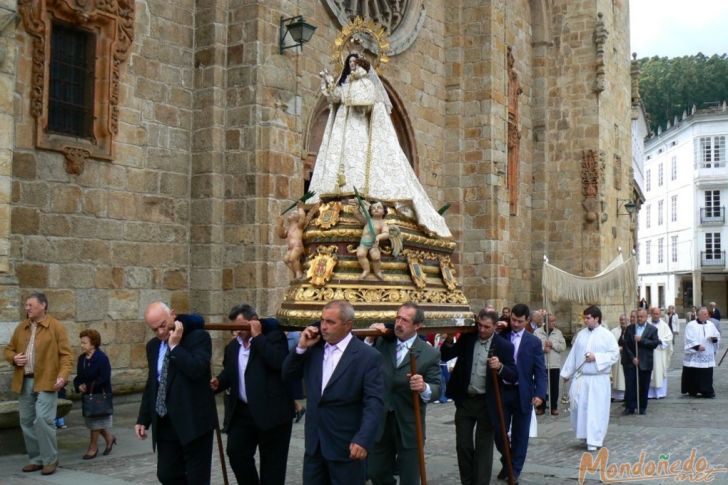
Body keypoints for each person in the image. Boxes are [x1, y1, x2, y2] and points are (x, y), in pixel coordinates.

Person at [309, 53, 451, 238]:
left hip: (359, 128)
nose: (352, 66)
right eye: (349, 63)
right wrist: (329, 82)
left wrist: (349, 98)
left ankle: (358, 196)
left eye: (355, 63)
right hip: (343, 129)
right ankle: (342, 195)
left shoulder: (367, 84)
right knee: (344, 158)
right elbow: (335, 97)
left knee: (358, 159)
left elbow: (367, 103)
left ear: (361, 65)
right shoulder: (346, 85)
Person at [282, 300, 384, 485]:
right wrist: (301, 347)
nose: (323, 327)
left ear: (348, 325)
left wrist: (363, 439)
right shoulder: (314, 349)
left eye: (330, 322)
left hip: (347, 446)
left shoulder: (367, 356)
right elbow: (287, 375)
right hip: (315, 445)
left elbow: (374, 402)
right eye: (322, 321)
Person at [210, 304, 293, 485]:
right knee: (236, 453)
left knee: (272, 469)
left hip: (272, 414)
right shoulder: (233, 347)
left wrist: (258, 337)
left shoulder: (274, 338)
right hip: (243, 413)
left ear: (254, 321)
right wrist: (219, 382)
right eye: (234, 328)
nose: (237, 332)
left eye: (241, 327)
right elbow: (230, 372)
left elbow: (278, 362)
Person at [135, 302, 216, 485]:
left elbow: (197, 369)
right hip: (165, 422)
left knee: (197, 479)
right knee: (166, 474)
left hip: (193, 421)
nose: (160, 332)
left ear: (173, 314)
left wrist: (175, 348)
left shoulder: (198, 338)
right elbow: (153, 383)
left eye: (163, 325)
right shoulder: (153, 347)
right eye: (154, 329)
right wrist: (143, 418)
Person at [365, 302, 441, 485]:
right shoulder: (382, 342)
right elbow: (362, 362)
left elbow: (437, 388)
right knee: (375, 471)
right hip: (382, 421)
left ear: (417, 326)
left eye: (405, 320)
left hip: (409, 423)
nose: (398, 323)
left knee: (409, 477)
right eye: (397, 318)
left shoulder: (429, 353)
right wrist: (369, 339)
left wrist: (423, 387)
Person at [441, 309, 517, 485]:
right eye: (480, 325)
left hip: (487, 403)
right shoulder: (468, 338)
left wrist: (500, 367)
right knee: (463, 445)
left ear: (495, 326)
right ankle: (467, 482)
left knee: (484, 448)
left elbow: (513, 375)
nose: (482, 330)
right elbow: (446, 355)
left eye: (486, 327)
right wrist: (449, 339)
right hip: (466, 401)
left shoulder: (504, 346)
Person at [4, 292, 73, 476]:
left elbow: (66, 356)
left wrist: (62, 376)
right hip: (24, 381)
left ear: (43, 305)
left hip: (47, 380)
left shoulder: (56, 327)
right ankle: (36, 460)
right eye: (26, 305)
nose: (27, 308)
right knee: (26, 421)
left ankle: (50, 459)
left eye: (30, 305)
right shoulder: (21, 327)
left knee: (43, 420)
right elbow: (8, 349)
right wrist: (13, 358)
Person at [491, 304, 547, 483]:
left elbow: (539, 370)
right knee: (499, 432)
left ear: (527, 321)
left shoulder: (534, 342)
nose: (515, 324)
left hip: (523, 391)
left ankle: (514, 469)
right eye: (513, 319)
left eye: (519, 321)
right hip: (503, 390)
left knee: (520, 435)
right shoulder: (501, 335)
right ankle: (507, 461)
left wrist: (540, 393)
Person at [560, 306, 619, 451]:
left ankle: (595, 439)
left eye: (588, 318)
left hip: (598, 379)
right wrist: (567, 373)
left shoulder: (607, 335)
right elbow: (574, 354)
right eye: (584, 318)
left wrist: (596, 357)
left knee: (596, 410)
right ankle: (585, 435)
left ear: (596, 318)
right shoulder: (581, 335)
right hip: (582, 379)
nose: (585, 321)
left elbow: (614, 355)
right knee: (581, 408)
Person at [73, 329, 116, 459]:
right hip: (88, 396)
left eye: (84, 343)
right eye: (81, 342)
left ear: (93, 344)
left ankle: (93, 447)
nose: (82, 345)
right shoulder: (82, 359)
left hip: (99, 396)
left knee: (96, 423)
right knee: (94, 421)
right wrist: (78, 385)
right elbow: (79, 377)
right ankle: (110, 438)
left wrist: (90, 386)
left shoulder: (102, 358)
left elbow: (104, 378)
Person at [619, 308, 659, 415]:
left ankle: (642, 406)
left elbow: (655, 343)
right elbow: (626, 345)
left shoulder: (652, 329)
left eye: (642, 317)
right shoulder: (630, 328)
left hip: (645, 362)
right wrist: (632, 358)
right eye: (638, 317)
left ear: (646, 317)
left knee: (644, 385)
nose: (639, 319)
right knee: (630, 384)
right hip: (632, 361)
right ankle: (630, 407)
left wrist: (642, 340)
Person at [681, 307, 720, 398]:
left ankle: (706, 390)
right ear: (699, 315)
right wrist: (697, 346)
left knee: (706, 373)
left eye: (707, 314)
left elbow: (717, 335)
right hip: (695, 353)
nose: (707, 315)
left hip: (707, 353)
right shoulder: (691, 325)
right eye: (705, 314)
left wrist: (714, 339)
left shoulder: (711, 324)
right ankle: (692, 390)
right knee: (694, 372)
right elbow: (688, 338)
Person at [534, 313, 566, 415]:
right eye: (551, 321)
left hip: (554, 364)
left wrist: (553, 345)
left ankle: (553, 407)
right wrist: (543, 349)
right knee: (541, 386)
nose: (554, 323)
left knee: (554, 387)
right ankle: (540, 407)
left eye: (554, 320)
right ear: (546, 322)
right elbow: (533, 347)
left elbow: (563, 347)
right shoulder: (537, 332)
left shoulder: (558, 333)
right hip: (541, 364)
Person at [353, 201, 392, 279]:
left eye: (379, 207)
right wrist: (357, 208)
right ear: (370, 211)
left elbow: (386, 234)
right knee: (360, 254)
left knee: (376, 257)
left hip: (374, 244)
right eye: (373, 208)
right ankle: (366, 270)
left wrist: (379, 237)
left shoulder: (383, 223)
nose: (376, 209)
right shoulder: (368, 220)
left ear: (384, 211)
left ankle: (377, 271)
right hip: (363, 243)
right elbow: (357, 215)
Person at [277, 202, 309, 280]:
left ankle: (299, 274)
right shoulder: (289, 229)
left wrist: (301, 208)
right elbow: (281, 235)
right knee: (286, 259)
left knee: (292, 258)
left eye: (292, 214)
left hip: (297, 246)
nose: (289, 215)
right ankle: (297, 272)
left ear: (296, 218)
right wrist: (279, 224)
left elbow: (302, 218)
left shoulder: (298, 226)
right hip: (290, 248)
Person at [647, 307, 673, 399]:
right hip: (648, 352)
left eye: (657, 314)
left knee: (659, 372)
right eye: (654, 314)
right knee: (649, 373)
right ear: (651, 314)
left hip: (659, 353)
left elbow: (669, 337)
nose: (655, 315)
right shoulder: (647, 323)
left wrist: (660, 341)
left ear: (660, 315)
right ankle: (649, 394)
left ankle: (659, 393)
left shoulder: (664, 325)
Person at [610, 313, 630, 401]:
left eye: (624, 320)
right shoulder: (614, 331)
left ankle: (626, 395)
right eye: (621, 320)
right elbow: (610, 343)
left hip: (627, 357)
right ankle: (615, 395)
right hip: (616, 357)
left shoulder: (631, 330)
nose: (622, 321)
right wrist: (617, 349)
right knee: (616, 377)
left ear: (628, 320)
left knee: (625, 377)